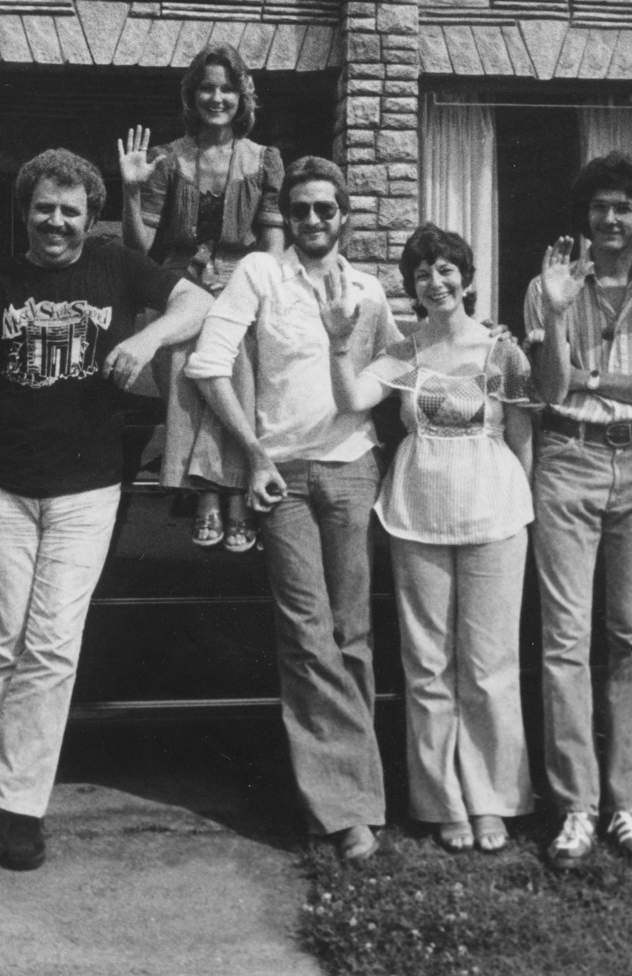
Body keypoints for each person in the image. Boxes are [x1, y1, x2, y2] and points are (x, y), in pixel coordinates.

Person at [0, 129, 214, 875]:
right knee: (8, 648)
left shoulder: (114, 265)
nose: (57, 223)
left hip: (88, 486)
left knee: (48, 645)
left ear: (90, 215)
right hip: (5, 483)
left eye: (71, 212)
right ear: (25, 212)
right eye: (44, 209)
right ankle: (24, 814)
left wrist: (149, 342)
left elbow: (198, 300)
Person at [184, 157, 400, 862]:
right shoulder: (259, 275)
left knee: (353, 633)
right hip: (285, 482)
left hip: (351, 470)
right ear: (287, 214)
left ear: (345, 218)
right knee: (308, 639)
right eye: (300, 209)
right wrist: (255, 456)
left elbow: (395, 369)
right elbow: (208, 364)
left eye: (325, 210)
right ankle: (347, 811)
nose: (312, 221)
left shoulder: (368, 288)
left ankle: (349, 795)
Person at [319, 223, 544, 855]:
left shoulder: (503, 351)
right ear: (412, 287)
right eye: (422, 273)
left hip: (494, 518)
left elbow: (522, 437)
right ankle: (444, 803)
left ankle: (493, 799)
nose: (435, 282)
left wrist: (516, 504)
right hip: (417, 515)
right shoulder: (406, 350)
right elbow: (352, 397)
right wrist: (341, 346)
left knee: (490, 665)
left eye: (446, 270)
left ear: (466, 279)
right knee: (428, 667)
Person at [523, 153, 632, 870]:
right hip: (567, 457)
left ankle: (629, 806)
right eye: (599, 208)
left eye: (624, 207)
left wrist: (597, 378)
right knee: (564, 639)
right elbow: (547, 387)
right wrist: (558, 316)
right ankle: (574, 808)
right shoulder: (551, 284)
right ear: (585, 217)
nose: (612, 220)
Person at [119, 44, 285, 554]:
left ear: (242, 95)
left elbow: (273, 247)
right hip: (179, 287)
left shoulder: (264, 160)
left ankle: (219, 496)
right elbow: (139, 248)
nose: (217, 97)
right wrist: (129, 192)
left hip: (241, 282)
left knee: (236, 363)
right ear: (193, 96)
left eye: (227, 88)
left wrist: (260, 293)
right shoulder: (169, 159)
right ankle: (225, 494)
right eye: (207, 88)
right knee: (187, 362)